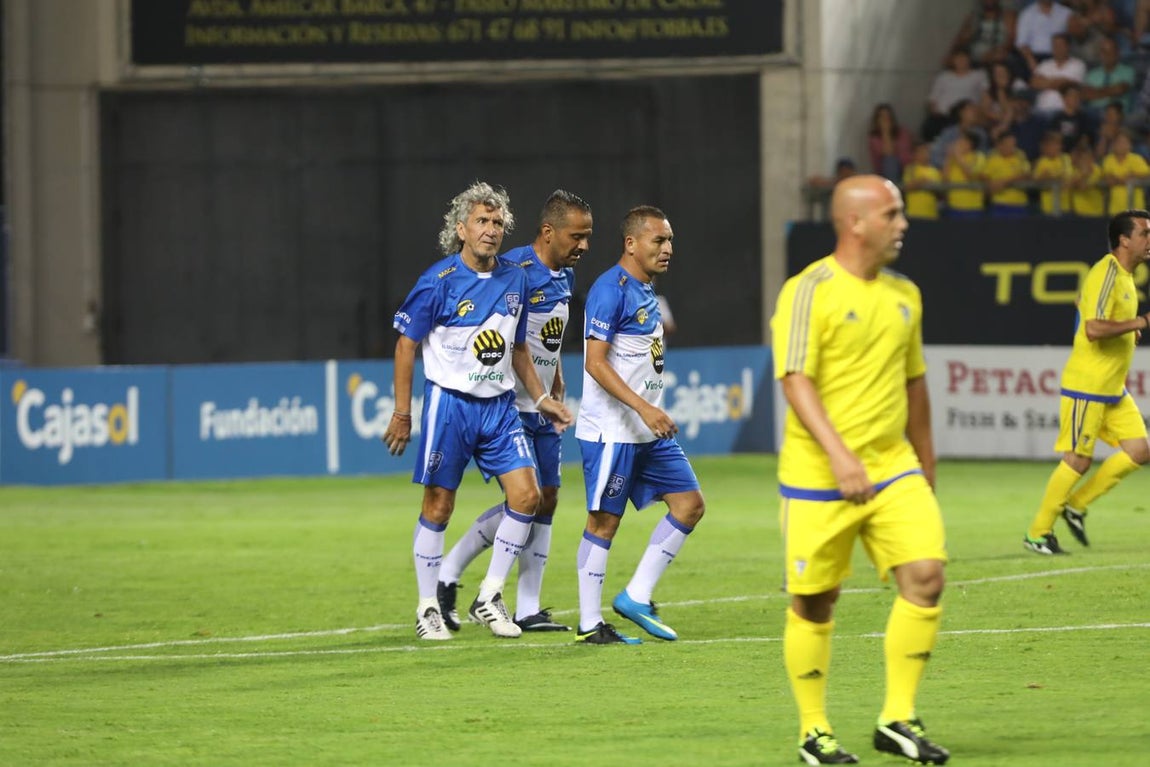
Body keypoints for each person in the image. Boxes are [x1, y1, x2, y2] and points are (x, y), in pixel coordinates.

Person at [771, 175, 949, 765]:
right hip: (819, 475)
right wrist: (840, 456)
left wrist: (925, 460)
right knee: (816, 601)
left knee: (925, 576)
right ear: (856, 222)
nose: (903, 224)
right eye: (893, 213)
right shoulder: (808, 290)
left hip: (893, 468)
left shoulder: (906, 293)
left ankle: (897, 718)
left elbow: (915, 381)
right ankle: (814, 730)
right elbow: (795, 378)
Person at [383, 181, 573, 641]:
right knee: (439, 505)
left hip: (501, 408)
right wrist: (403, 413)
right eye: (481, 222)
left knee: (528, 497)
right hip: (450, 406)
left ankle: (489, 594)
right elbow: (406, 344)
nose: (490, 230)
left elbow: (520, 347)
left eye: (497, 222)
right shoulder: (438, 281)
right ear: (461, 229)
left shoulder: (516, 278)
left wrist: (544, 398)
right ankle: (428, 605)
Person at [435, 190, 593, 634]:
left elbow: (544, 336)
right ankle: (454, 576)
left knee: (547, 499)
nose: (583, 246)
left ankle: (526, 606)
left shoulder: (564, 278)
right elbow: (507, 337)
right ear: (548, 232)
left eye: (587, 237)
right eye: (576, 236)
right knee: (525, 499)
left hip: (544, 403)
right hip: (511, 403)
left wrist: (557, 374)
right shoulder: (515, 269)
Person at [573, 205, 706, 645]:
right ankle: (590, 624)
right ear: (631, 243)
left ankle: (635, 595)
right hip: (613, 431)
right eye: (658, 240)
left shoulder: (648, 291)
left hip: (647, 432)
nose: (667, 249)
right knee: (603, 523)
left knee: (689, 504)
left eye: (669, 241)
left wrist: (649, 413)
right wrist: (644, 407)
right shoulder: (611, 289)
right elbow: (595, 364)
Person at [1023, 209, 1150, 554]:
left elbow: (1089, 313)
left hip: (1112, 388)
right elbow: (1093, 328)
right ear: (1124, 240)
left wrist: (1128, 331)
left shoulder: (1124, 277)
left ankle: (1076, 505)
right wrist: (1139, 322)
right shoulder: (1106, 271)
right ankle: (1038, 533)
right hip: (1089, 386)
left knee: (1139, 451)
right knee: (1077, 459)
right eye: (1144, 233)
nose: (1149, 240)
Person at [921, 51, 988, 142]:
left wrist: (980, 114)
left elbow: (985, 97)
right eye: (958, 58)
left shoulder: (978, 75)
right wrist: (936, 114)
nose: (961, 61)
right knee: (931, 128)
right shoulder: (943, 76)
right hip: (943, 116)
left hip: (965, 117)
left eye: (964, 58)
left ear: (969, 59)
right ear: (953, 60)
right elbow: (933, 99)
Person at [1030, 34, 1088, 116]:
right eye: (1054, 45)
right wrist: (1058, 82)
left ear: (1068, 46)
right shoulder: (1044, 64)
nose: (1057, 48)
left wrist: (1046, 82)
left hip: (1065, 112)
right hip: (1041, 110)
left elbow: (1069, 85)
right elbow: (1034, 83)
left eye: (1060, 45)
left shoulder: (1078, 65)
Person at [983, 130, 1034, 216]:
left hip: (1020, 205)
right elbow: (987, 182)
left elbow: (1027, 174)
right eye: (1009, 144)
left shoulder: (1020, 157)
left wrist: (1005, 181)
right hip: (1000, 205)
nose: (1012, 147)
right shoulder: (992, 160)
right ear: (999, 145)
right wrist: (991, 186)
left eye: (1013, 144)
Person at [1102, 128, 1150, 210]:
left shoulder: (1136, 159)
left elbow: (1147, 174)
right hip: (1114, 209)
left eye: (1124, 142)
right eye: (1118, 142)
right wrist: (1123, 179)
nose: (1121, 145)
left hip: (1136, 208)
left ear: (1130, 145)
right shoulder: (1108, 160)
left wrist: (1134, 175)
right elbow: (1107, 178)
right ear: (1113, 144)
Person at [1033, 129, 1076, 214]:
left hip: (1067, 207)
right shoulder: (1042, 162)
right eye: (1053, 144)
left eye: (1059, 144)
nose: (1057, 147)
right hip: (1049, 209)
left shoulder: (1066, 158)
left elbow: (1071, 175)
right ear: (1045, 147)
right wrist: (1051, 177)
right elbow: (1037, 180)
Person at [868, 103, 914, 181]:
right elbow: (888, 152)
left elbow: (906, 155)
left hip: (907, 169)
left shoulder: (902, 132)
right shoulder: (874, 138)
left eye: (888, 117)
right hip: (886, 174)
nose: (886, 120)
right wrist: (885, 132)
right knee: (890, 161)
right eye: (882, 117)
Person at [903, 141, 943, 220]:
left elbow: (940, 193)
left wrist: (931, 185)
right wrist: (922, 181)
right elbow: (907, 187)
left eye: (926, 151)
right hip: (913, 215)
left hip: (931, 215)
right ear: (915, 154)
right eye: (921, 152)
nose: (924, 154)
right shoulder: (910, 169)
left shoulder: (935, 171)